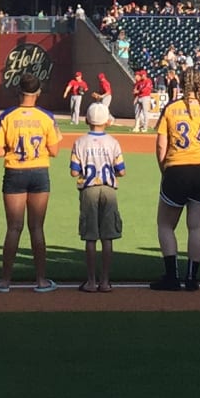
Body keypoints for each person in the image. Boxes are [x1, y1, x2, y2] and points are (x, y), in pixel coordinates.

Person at [154, 69, 200, 292]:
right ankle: (192, 278)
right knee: (197, 227)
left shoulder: (171, 109)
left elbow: (160, 146)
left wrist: (164, 170)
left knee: (166, 224)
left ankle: (172, 276)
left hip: (177, 168)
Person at [0, 77, 62, 293]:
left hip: (15, 171)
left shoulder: (7, 116)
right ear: (38, 92)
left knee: (14, 227)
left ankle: (5, 281)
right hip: (39, 172)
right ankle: (40, 280)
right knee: (37, 228)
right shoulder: (46, 117)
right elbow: (54, 150)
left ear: (18, 91)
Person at [68, 102, 125, 294]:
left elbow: (74, 172)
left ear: (87, 120)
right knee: (107, 237)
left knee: (90, 237)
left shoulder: (80, 142)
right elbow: (122, 171)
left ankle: (91, 281)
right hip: (108, 190)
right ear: (107, 121)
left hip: (88, 190)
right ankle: (105, 281)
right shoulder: (113, 142)